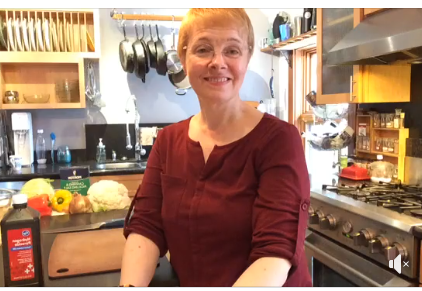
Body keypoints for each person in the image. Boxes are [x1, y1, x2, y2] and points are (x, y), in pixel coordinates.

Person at [120, 8, 311, 287]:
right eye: (203, 49)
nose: (217, 62)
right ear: (184, 59)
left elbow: (274, 251)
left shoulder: (279, 140)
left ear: (246, 58)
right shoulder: (168, 141)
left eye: (232, 51)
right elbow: (147, 228)